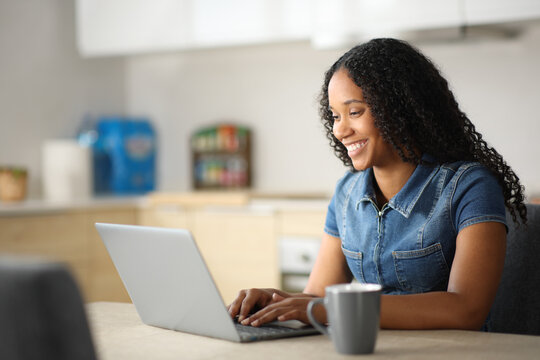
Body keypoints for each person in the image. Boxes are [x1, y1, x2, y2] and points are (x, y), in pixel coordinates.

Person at [227, 38, 527, 330]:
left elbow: (466, 309)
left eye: (354, 112)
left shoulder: (469, 186)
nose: (340, 130)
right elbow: (320, 296)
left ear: (400, 108)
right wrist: (276, 300)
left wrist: (328, 307)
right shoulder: (347, 192)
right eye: (334, 116)